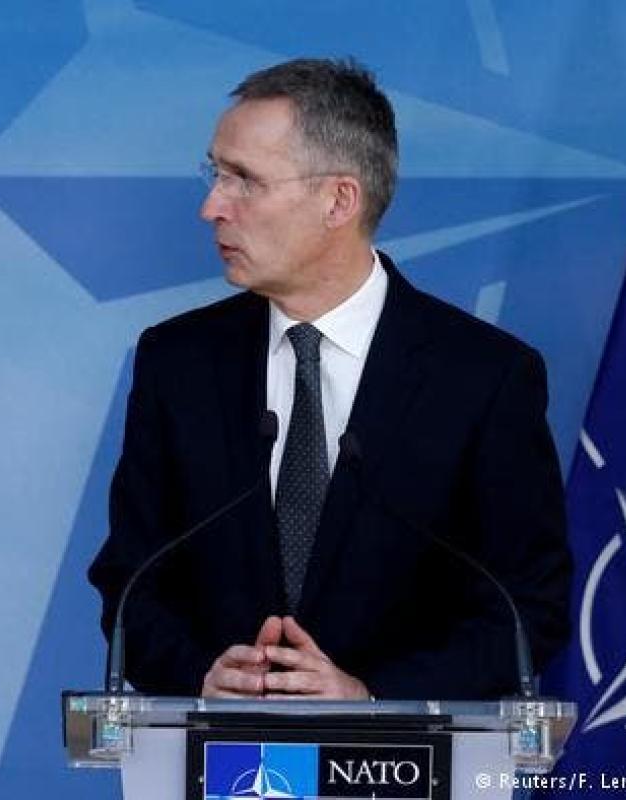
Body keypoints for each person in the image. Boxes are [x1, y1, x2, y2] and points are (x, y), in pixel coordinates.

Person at [88, 58, 571, 700]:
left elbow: (528, 607)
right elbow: (131, 581)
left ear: (339, 200)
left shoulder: (484, 376)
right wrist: (202, 675)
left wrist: (371, 698)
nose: (211, 207)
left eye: (244, 180)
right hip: (220, 752)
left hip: (402, 759)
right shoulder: (177, 362)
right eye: (215, 174)